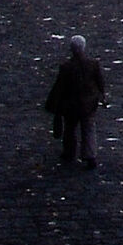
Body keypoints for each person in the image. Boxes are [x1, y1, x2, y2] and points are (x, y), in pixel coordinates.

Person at [43, 36, 105, 168]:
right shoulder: (93, 64)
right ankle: (90, 155)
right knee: (88, 129)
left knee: (70, 129)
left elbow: (59, 87)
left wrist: (54, 105)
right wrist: (102, 96)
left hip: (71, 105)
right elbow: (100, 82)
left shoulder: (66, 67)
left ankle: (69, 152)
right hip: (88, 104)